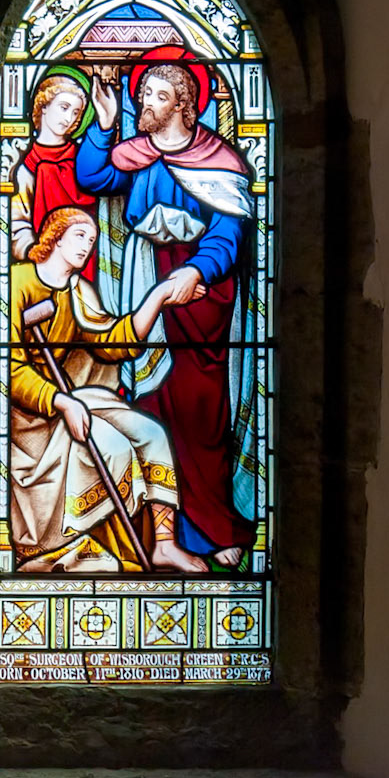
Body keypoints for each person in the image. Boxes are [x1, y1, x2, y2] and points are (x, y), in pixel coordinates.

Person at [75, 49, 256, 564]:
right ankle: (159, 531)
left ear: (184, 105)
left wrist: (197, 271)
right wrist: (105, 127)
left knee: (202, 416)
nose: (144, 103)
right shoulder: (140, 153)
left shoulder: (218, 162)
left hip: (199, 299)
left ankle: (211, 530)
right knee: (149, 407)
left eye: (156, 95)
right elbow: (93, 177)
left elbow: (227, 232)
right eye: (143, 94)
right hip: (147, 284)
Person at [8, 206, 208, 575]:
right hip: (31, 417)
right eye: (79, 236)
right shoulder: (16, 283)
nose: (87, 245)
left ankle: (164, 545)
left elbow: (113, 342)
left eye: (93, 239)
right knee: (111, 446)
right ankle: (83, 543)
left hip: (75, 398)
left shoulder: (78, 291)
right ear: (54, 236)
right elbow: (11, 370)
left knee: (150, 433)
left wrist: (159, 296)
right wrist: (60, 401)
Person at [10, 69, 95, 269]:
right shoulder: (26, 166)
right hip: (45, 263)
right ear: (44, 105)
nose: (69, 118)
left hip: (88, 258)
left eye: (76, 112)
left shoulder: (84, 160)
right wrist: (37, 252)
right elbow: (18, 221)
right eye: (64, 107)